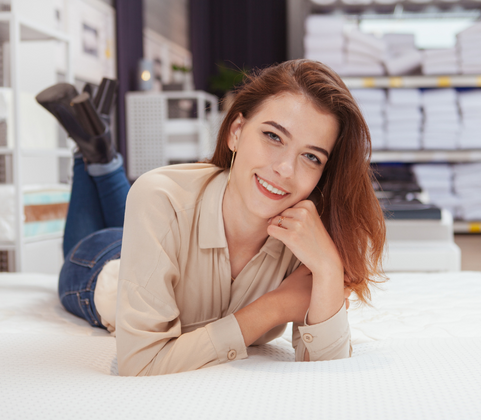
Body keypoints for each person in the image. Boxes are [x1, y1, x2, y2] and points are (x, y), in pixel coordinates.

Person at [38, 59, 386, 377]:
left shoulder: (309, 233)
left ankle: (95, 146)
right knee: (111, 225)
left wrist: (328, 268)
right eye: (273, 136)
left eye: (311, 157)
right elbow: (140, 364)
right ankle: (95, 153)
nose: (285, 169)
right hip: (98, 269)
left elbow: (330, 375)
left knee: (141, 209)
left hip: (158, 235)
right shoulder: (161, 197)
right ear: (236, 131)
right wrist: (272, 308)